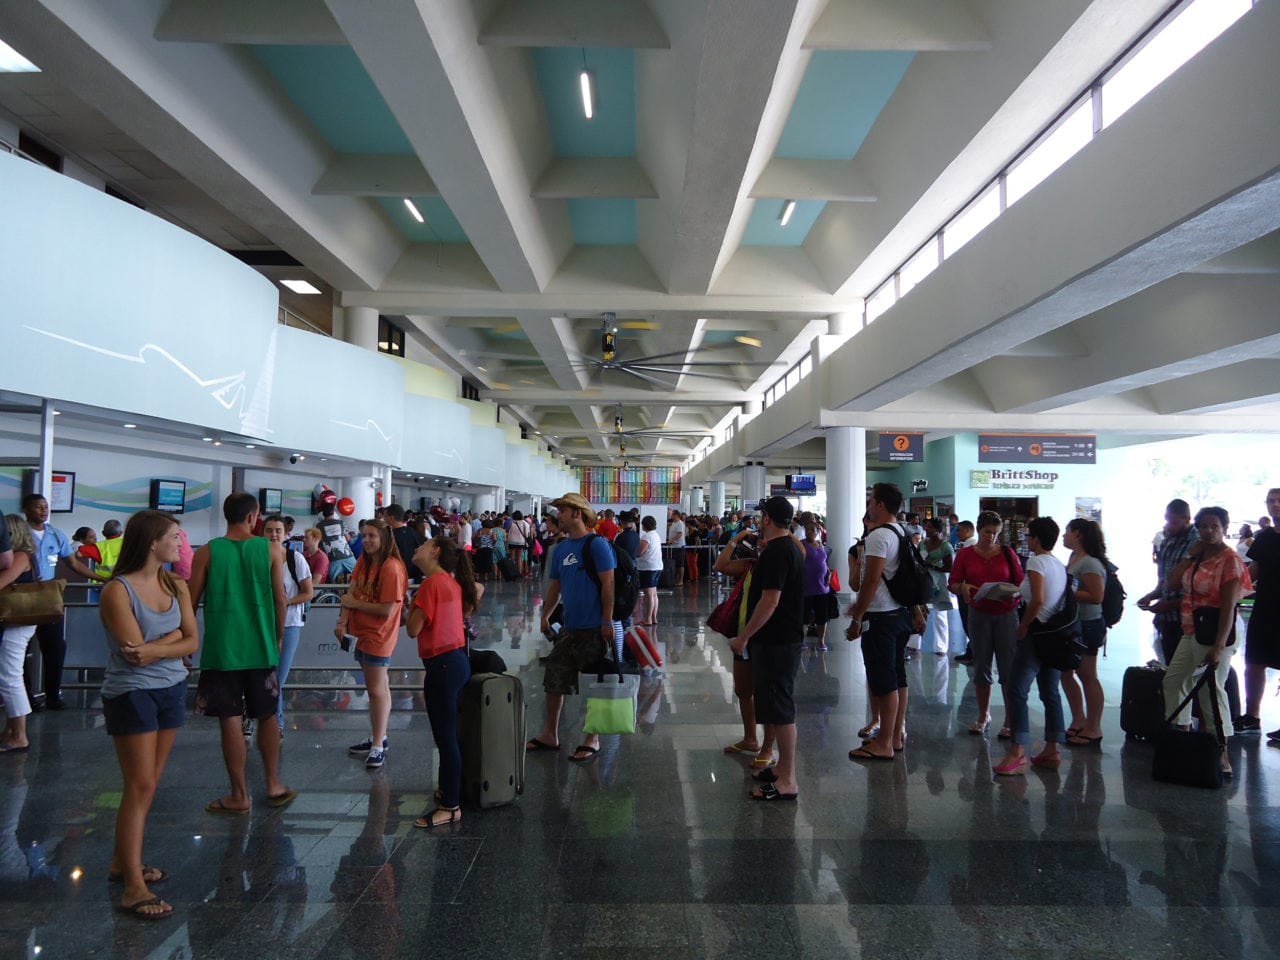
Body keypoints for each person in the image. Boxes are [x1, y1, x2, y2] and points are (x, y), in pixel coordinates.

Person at [98, 510, 198, 919]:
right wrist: (170, 640)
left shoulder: (175, 584)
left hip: (171, 689)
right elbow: (134, 657)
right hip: (132, 694)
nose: (181, 543)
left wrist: (160, 645)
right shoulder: (117, 592)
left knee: (148, 784)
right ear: (152, 542)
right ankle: (132, 887)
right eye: (175, 537)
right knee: (139, 785)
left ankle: (123, 860)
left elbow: (190, 640)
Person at [188, 492, 293, 812]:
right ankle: (273, 784)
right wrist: (276, 638)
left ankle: (239, 795)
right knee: (267, 715)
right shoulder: (271, 550)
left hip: (222, 651)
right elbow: (280, 600)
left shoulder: (207, 552)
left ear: (226, 515)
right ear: (253, 517)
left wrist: (185, 643)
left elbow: (189, 602)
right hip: (260, 646)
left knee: (230, 719)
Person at [1162, 506, 1251, 779]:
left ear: (1225, 528)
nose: (1209, 531)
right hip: (1192, 629)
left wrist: (1218, 646)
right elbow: (1173, 581)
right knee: (1174, 680)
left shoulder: (1230, 560)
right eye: (1203, 526)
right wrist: (1192, 554)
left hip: (1216, 633)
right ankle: (1184, 736)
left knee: (1211, 690)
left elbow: (1228, 608)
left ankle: (1221, 751)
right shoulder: (1198, 556)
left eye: (1214, 526)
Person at [528, 493, 615, 762]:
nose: (558, 517)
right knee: (554, 681)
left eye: (562, 511)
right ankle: (550, 734)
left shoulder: (597, 545)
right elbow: (555, 586)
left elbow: (608, 585)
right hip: (569, 627)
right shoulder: (561, 548)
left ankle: (593, 738)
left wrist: (607, 620)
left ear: (577, 513)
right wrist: (545, 615)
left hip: (593, 627)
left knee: (594, 684)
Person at [730, 496, 804, 800]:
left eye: (762, 515)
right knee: (776, 707)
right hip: (781, 639)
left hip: (777, 641)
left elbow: (770, 600)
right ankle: (780, 768)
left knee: (782, 710)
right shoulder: (788, 549)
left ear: (768, 519)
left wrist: (744, 636)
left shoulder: (777, 552)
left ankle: (788, 779)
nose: (759, 520)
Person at [407, 537, 476, 827]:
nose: (416, 548)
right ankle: (450, 790)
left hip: (442, 666)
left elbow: (413, 629)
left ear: (435, 552)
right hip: (456, 662)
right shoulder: (450, 582)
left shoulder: (431, 584)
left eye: (422, 545)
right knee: (450, 736)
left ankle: (450, 806)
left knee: (445, 739)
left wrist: (408, 608)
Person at [993, 517, 1069, 775]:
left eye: (1029, 536)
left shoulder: (1036, 561)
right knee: (1050, 691)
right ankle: (1052, 747)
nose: (1026, 540)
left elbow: (1037, 599)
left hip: (1037, 632)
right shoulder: (1058, 564)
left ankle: (1018, 751)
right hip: (1055, 634)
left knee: (1016, 689)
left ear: (1036, 539)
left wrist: (1023, 626)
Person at [847, 484, 913, 762]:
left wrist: (858, 617)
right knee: (897, 677)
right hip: (899, 614)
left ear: (881, 506)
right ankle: (894, 735)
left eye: (871, 501)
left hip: (881, 617)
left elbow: (871, 580)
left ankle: (884, 742)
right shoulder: (902, 532)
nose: (869, 505)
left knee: (884, 681)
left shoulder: (878, 537)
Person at [337, 518, 408, 769]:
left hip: (379, 636)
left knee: (376, 690)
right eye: (364, 535)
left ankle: (378, 743)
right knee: (379, 687)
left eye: (372, 536)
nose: (366, 540)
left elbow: (388, 609)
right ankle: (380, 737)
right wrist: (342, 621)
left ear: (384, 539)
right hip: (361, 633)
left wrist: (355, 606)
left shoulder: (392, 568)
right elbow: (351, 593)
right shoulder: (363, 562)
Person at [949, 510, 1024, 738]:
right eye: (987, 532)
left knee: (1008, 667)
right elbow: (953, 582)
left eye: (995, 533)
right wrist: (962, 588)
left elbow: (1021, 583)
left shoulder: (1007, 553)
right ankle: (983, 714)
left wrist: (1013, 595)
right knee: (981, 665)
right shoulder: (965, 555)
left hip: (1006, 614)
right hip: (979, 613)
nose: (991, 537)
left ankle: (1010, 719)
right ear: (978, 530)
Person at [20, 493, 97, 709]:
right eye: (38, 507)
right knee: (21, 650)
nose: (43, 510)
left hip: (48, 596)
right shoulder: (17, 534)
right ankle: (26, 698)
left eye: (46, 506)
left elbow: (73, 563)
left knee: (55, 647)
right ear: (26, 510)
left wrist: (102, 578)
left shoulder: (55, 534)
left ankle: (53, 695)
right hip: (23, 596)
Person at [716, 524, 775, 768]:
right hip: (743, 634)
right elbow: (720, 566)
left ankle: (768, 746)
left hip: (765, 638)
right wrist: (736, 539)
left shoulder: (777, 563)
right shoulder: (750, 565)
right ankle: (750, 738)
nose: (761, 542)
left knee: (766, 693)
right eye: (758, 539)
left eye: (764, 538)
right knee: (743, 690)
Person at [262, 515, 314, 736]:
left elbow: (308, 592)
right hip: (262, 625)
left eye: (278, 531)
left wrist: (283, 603)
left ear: (286, 534)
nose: (273, 534)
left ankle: (277, 725)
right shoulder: (258, 558)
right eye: (269, 530)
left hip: (290, 624)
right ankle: (269, 723)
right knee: (262, 677)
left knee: (277, 679)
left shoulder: (295, 559)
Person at [1061, 518, 1108, 745]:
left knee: (1087, 675)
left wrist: (1065, 591)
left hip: (1088, 625)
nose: (1064, 536)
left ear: (1078, 534)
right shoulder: (1074, 559)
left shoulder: (1090, 563)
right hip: (1074, 623)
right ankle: (1079, 719)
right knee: (1067, 672)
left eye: (1067, 532)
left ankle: (1094, 727)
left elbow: (1096, 596)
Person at [1137, 499, 1197, 664]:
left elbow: (1199, 590)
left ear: (1187, 519)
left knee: (1185, 670)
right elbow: (1164, 578)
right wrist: (1152, 595)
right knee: (1169, 667)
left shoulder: (1197, 544)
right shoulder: (1168, 540)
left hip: (1188, 620)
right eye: (1168, 520)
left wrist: (1169, 605)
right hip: (1166, 619)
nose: (1170, 526)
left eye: (1175, 522)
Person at [1243, 489, 1280, 737]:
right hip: (1265, 608)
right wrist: (1230, 593)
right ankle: (1252, 716)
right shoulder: (1264, 537)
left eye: (1279, 500)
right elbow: (1252, 571)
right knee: (1254, 663)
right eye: (1271, 501)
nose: (1275, 505)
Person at [0, 515, 38, 752]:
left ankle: (20, 735)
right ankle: (11, 729)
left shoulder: (21, 556)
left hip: (17, 624)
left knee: (9, 676)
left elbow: (3, 581)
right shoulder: (24, 556)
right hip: (15, 623)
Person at [921, 518, 954, 657]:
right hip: (923, 579)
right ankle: (913, 644)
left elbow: (949, 567)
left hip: (939, 581)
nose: (926, 529)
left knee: (940, 613)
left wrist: (932, 566)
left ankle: (941, 646)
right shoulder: (923, 543)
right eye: (926, 527)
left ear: (938, 530)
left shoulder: (946, 546)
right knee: (920, 610)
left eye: (929, 527)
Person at [801, 523, 833, 651]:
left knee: (822, 616)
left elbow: (823, 562)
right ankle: (802, 640)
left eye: (813, 530)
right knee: (804, 616)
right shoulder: (801, 544)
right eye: (808, 530)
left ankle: (821, 641)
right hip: (806, 587)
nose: (810, 532)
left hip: (822, 587)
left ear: (817, 531)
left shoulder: (820, 544)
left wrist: (829, 573)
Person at [384, 504, 423, 583]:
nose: (383, 520)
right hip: (414, 576)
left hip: (397, 577)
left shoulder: (390, 535)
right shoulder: (412, 532)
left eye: (385, 517)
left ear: (391, 518)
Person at [635, 515, 663, 625]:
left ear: (644, 525)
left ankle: (648, 619)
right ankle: (653, 617)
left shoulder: (646, 537)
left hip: (648, 567)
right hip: (657, 566)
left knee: (649, 594)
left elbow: (640, 551)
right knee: (654, 593)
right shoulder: (656, 535)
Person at [317, 503, 356, 581]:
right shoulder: (340, 523)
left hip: (332, 558)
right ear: (333, 512)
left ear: (323, 513)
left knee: (335, 583)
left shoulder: (319, 526)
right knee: (357, 577)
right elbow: (348, 538)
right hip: (347, 555)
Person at [506, 510, 530, 577]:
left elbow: (508, 531)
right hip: (521, 541)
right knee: (519, 558)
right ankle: (519, 573)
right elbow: (526, 533)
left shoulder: (512, 523)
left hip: (512, 541)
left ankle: (512, 572)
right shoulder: (524, 523)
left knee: (512, 557)